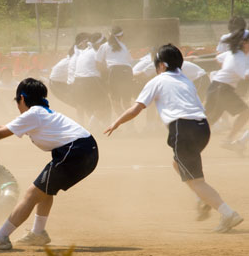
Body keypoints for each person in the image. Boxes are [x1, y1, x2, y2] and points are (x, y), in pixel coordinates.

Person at [104, 44, 243, 233]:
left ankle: (228, 213)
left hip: (182, 129)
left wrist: (117, 122)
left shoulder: (158, 81)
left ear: (161, 65)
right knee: (177, 164)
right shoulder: (186, 80)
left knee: (196, 180)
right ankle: (203, 197)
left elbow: (136, 109)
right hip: (203, 128)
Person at [0, 78, 99, 250]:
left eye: (17, 102)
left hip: (76, 151)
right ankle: (38, 233)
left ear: (22, 99)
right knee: (45, 190)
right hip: (84, 149)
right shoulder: (40, 112)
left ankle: (1, 238)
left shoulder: (34, 114)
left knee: (32, 194)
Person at [204, 29, 249, 150]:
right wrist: (229, 71)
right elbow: (245, 75)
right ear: (244, 43)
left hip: (218, 86)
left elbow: (218, 58)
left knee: (209, 120)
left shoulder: (235, 53)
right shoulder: (239, 57)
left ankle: (189, 141)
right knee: (245, 113)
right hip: (223, 88)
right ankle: (228, 140)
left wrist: (226, 70)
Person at [73, 33, 109, 131]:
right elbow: (101, 68)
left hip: (77, 81)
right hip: (90, 80)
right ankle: (90, 128)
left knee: (88, 105)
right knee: (104, 104)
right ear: (99, 44)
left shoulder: (84, 51)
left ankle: (92, 127)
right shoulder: (97, 52)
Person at [96, 26, 134, 116]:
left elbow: (98, 63)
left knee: (116, 103)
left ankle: (124, 123)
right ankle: (132, 126)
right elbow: (130, 61)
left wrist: (104, 76)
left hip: (114, 72)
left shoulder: (104, 46)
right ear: (121, 36)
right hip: (128, 71)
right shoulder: (124, 46)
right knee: (127, 102)